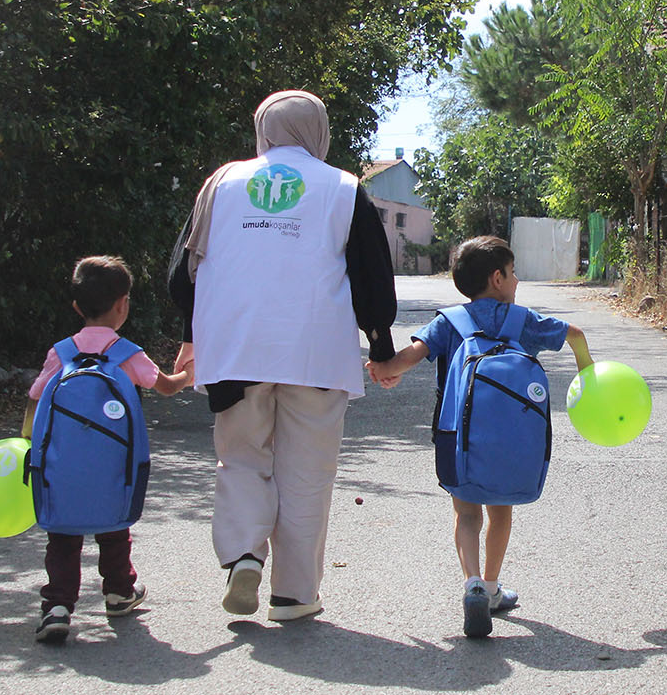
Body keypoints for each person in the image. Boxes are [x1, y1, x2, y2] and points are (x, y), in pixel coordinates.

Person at [165, 90, 397, 622]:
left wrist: (192, 335)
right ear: (318, 131)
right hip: (316, 354)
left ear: (263, 129)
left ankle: (245, 554)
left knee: (242, 458)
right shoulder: (343, 187)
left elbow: (186, 274)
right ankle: (294, 595)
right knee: (308, 473)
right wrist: (381, 349)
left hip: (235, 351)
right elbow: (372, 281)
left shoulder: (220, 184)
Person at [365, 236, 593, 638]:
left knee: (466, 513)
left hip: (458, 436)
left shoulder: (449, 321)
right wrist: (587, 371)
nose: (518, 278)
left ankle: (471, 582)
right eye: (514, 271)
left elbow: (410, 356)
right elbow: (573, 333)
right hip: (512, 439)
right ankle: (491, 587)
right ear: (498, 278)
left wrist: (386, 369)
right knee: (500, 512)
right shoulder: (519, 320)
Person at [22, 255, 194, 643]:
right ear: (123, 304)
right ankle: (119, 591)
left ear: (77, 307)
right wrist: (188, 374)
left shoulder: (61, 352)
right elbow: (164, 386)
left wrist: (29, 449)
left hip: (61, 465)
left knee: (62, 536)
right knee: (115, 528)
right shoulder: (126, 353)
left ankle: (58, 606)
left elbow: (36, 397)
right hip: (112, 465)